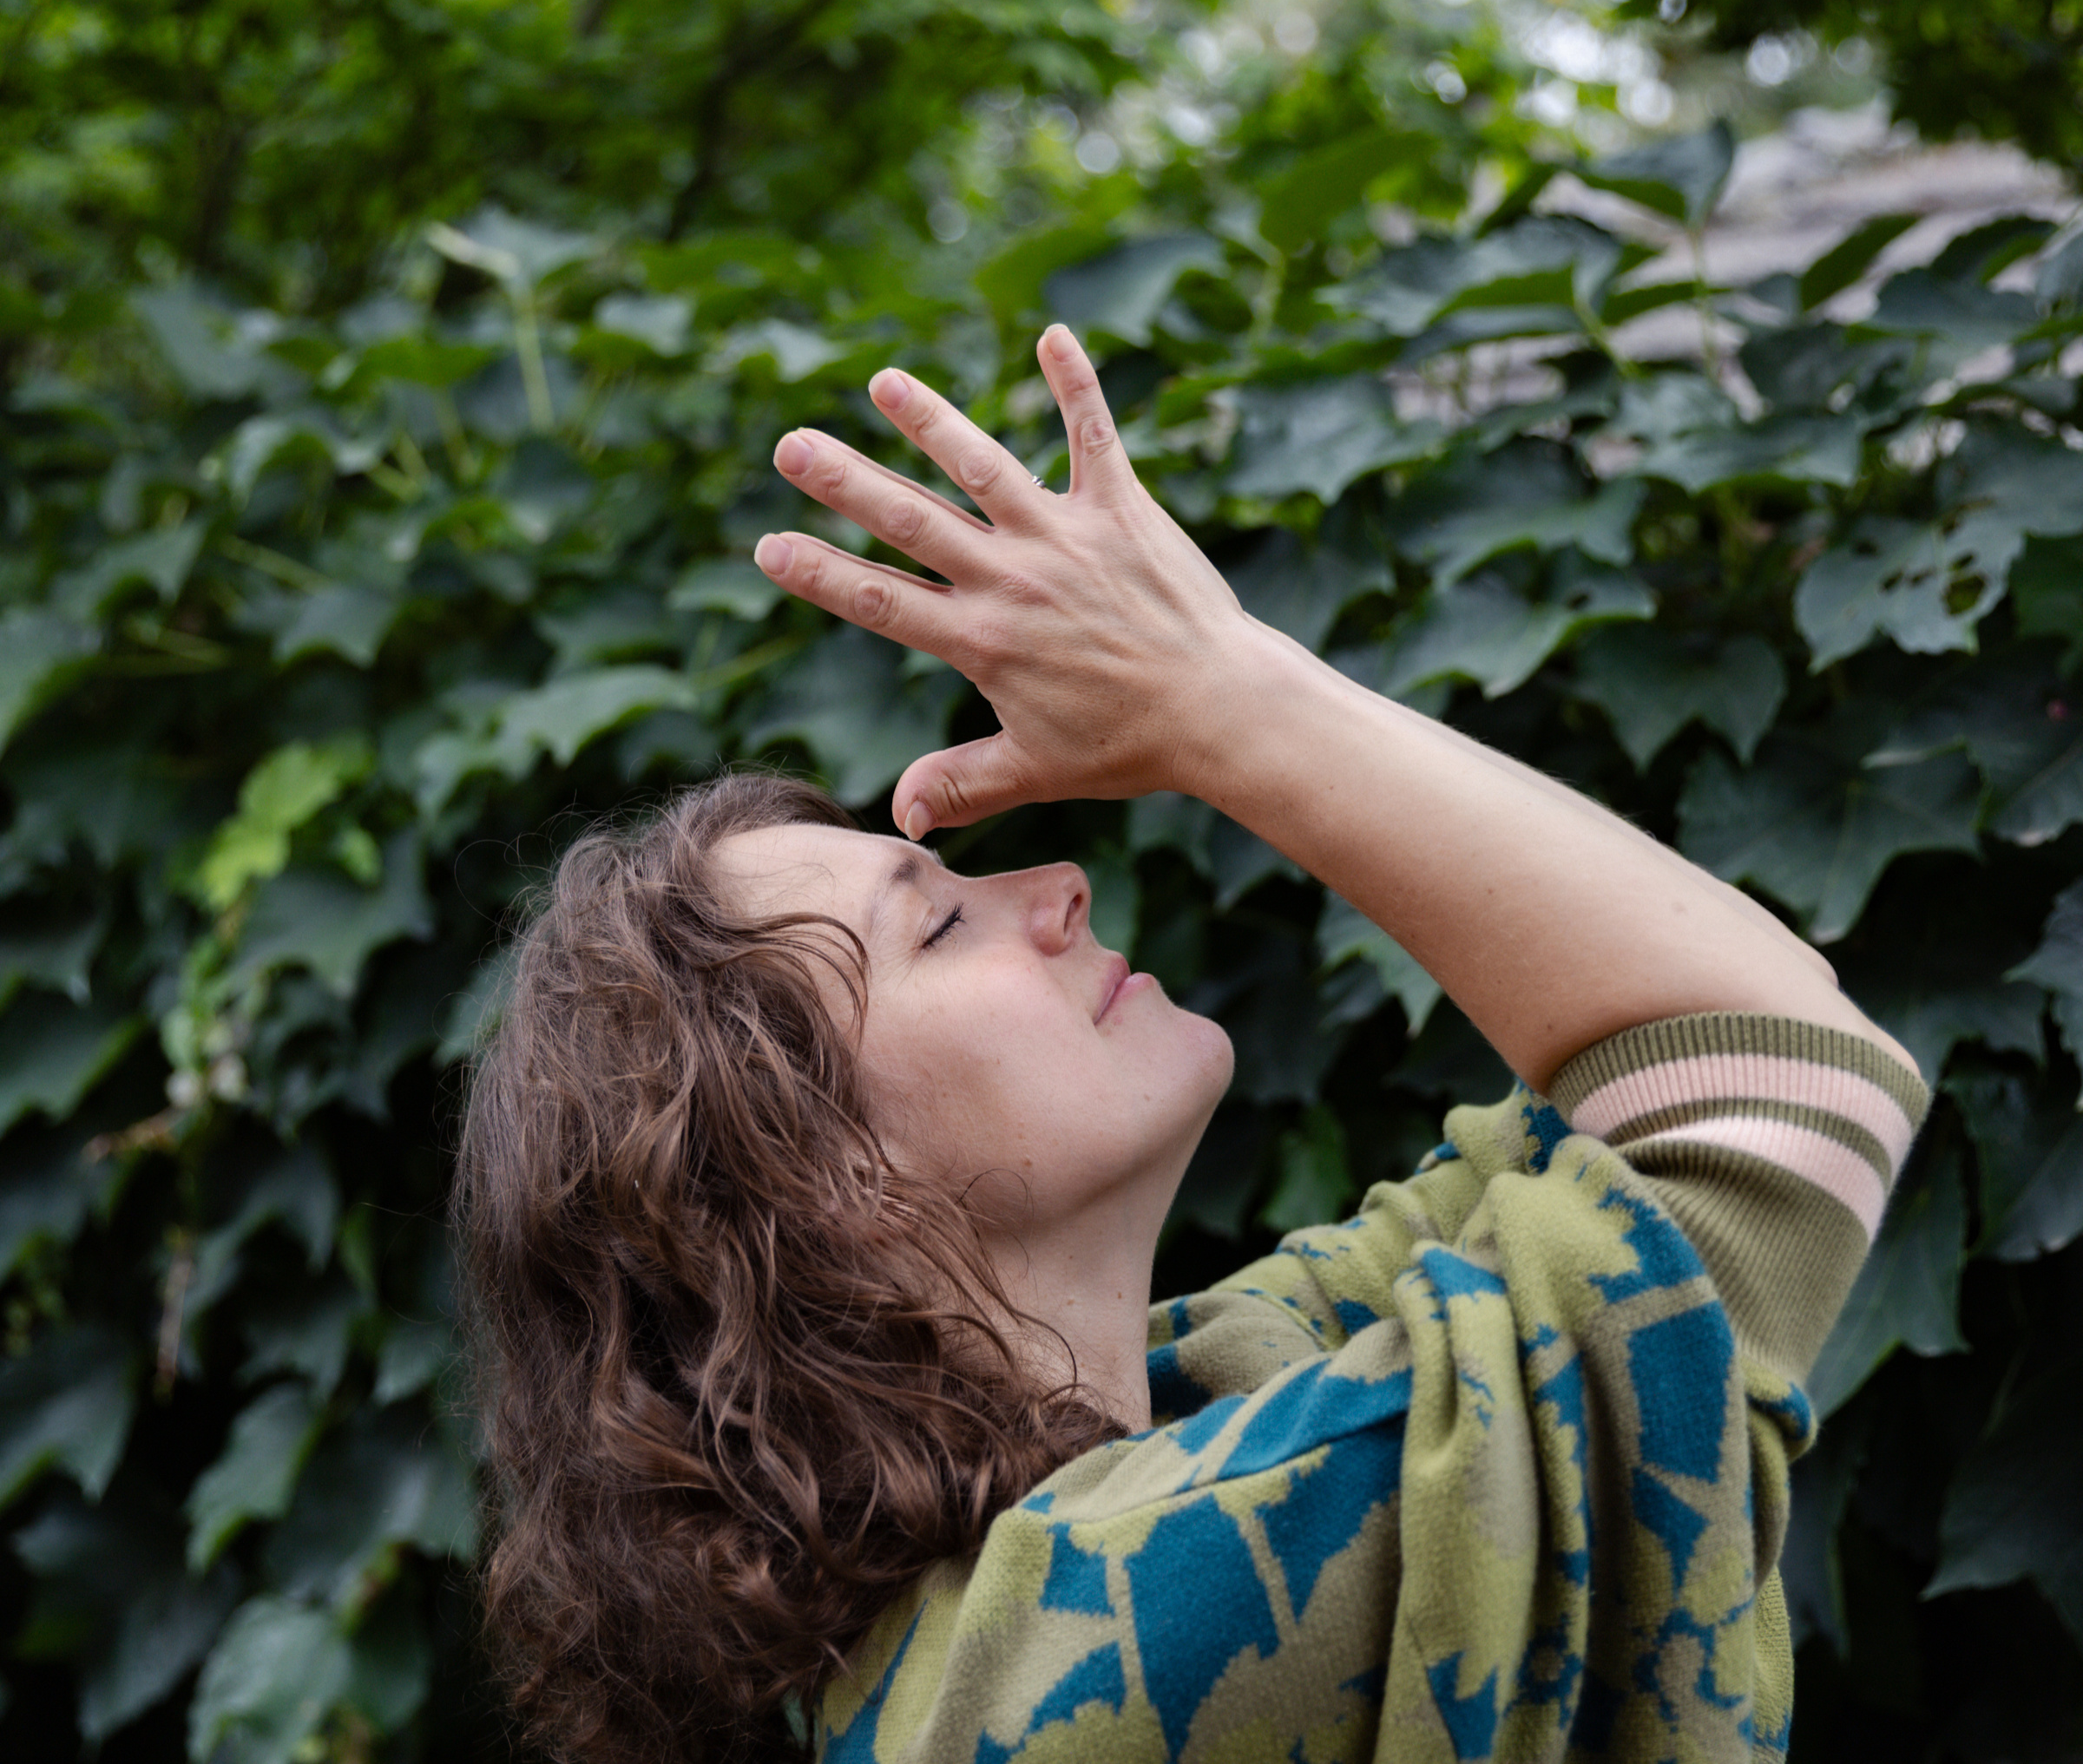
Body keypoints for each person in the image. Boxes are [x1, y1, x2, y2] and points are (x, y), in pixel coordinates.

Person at [455, 325, 1927, 1764]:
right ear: (822, 1186)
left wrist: (1222, 676)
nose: (1057, 883)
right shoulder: (1115, 1641)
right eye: (941, 924)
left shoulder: (1188, 1415)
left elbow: (1611, 1088)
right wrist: (1215, 699)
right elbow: (1774, 1078)